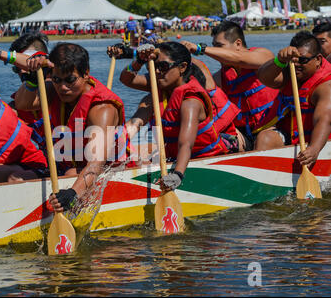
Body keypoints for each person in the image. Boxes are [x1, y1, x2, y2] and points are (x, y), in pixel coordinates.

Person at [0, 42, 132, 212]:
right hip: (65, 169)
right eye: (57, 79)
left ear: (86, 74)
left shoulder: (102, 109)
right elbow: (22, 103)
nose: (62, 87)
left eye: (70, 80)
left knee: (71, 173)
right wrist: (34, 80)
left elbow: (96, 163)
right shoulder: (53, 89)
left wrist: (73, 193)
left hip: (107, 173)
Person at [119, 42, 230, 191]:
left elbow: (186, 144)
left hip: (202, 158)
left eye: (163, 67)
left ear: (182, 67)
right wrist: (139, 61)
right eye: (153, 66)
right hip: (173, 156)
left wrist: (177, 174)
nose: (157, 71)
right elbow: (126, 79)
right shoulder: (159, 89)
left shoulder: (191, 102)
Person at [180, 21, 279, 151]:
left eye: (219, 46)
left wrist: (200, 48)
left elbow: (239, 58)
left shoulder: (263, 55)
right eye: (213, 46)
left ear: (238, 44)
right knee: (212, 139)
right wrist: (181, 55)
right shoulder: (221, 77)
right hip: (243, 134)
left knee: (264, 138)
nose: (215, 51)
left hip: (273, 129)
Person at [254, 31, 331, 167]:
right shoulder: (290, 71)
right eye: (292, 61)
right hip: (293, 137)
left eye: (302, 60)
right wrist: (279, 60)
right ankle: (263, 181)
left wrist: (314, 149)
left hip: (321, 140)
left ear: (318, 60)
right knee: (265, 138)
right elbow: (263, 77)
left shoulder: (326, 85)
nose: (296, 65)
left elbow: (324, 120)